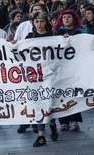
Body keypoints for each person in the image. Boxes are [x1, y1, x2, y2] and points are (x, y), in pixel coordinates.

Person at [22, 12, 59, 147]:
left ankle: (53, 123)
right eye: (36, 21)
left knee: (49, 103)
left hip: (50, 74)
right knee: (39, 104)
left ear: (46, 22)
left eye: (41, 21)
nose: (39, 24)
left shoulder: (54, 36)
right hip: (35, 76)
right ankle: (41, 136)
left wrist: (66, 39)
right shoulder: (29, 37)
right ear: (33, 23)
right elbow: (20, 51)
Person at [53, 10, 84, 131]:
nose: (66, 19)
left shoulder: (80, 32)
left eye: (69, 17)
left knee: (73, 95)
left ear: (73, 19)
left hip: (74, 68)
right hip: (60, 68)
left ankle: (74, 120)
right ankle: (63, 121)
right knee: (61, 95)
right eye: (64, 17)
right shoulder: (56, 32)